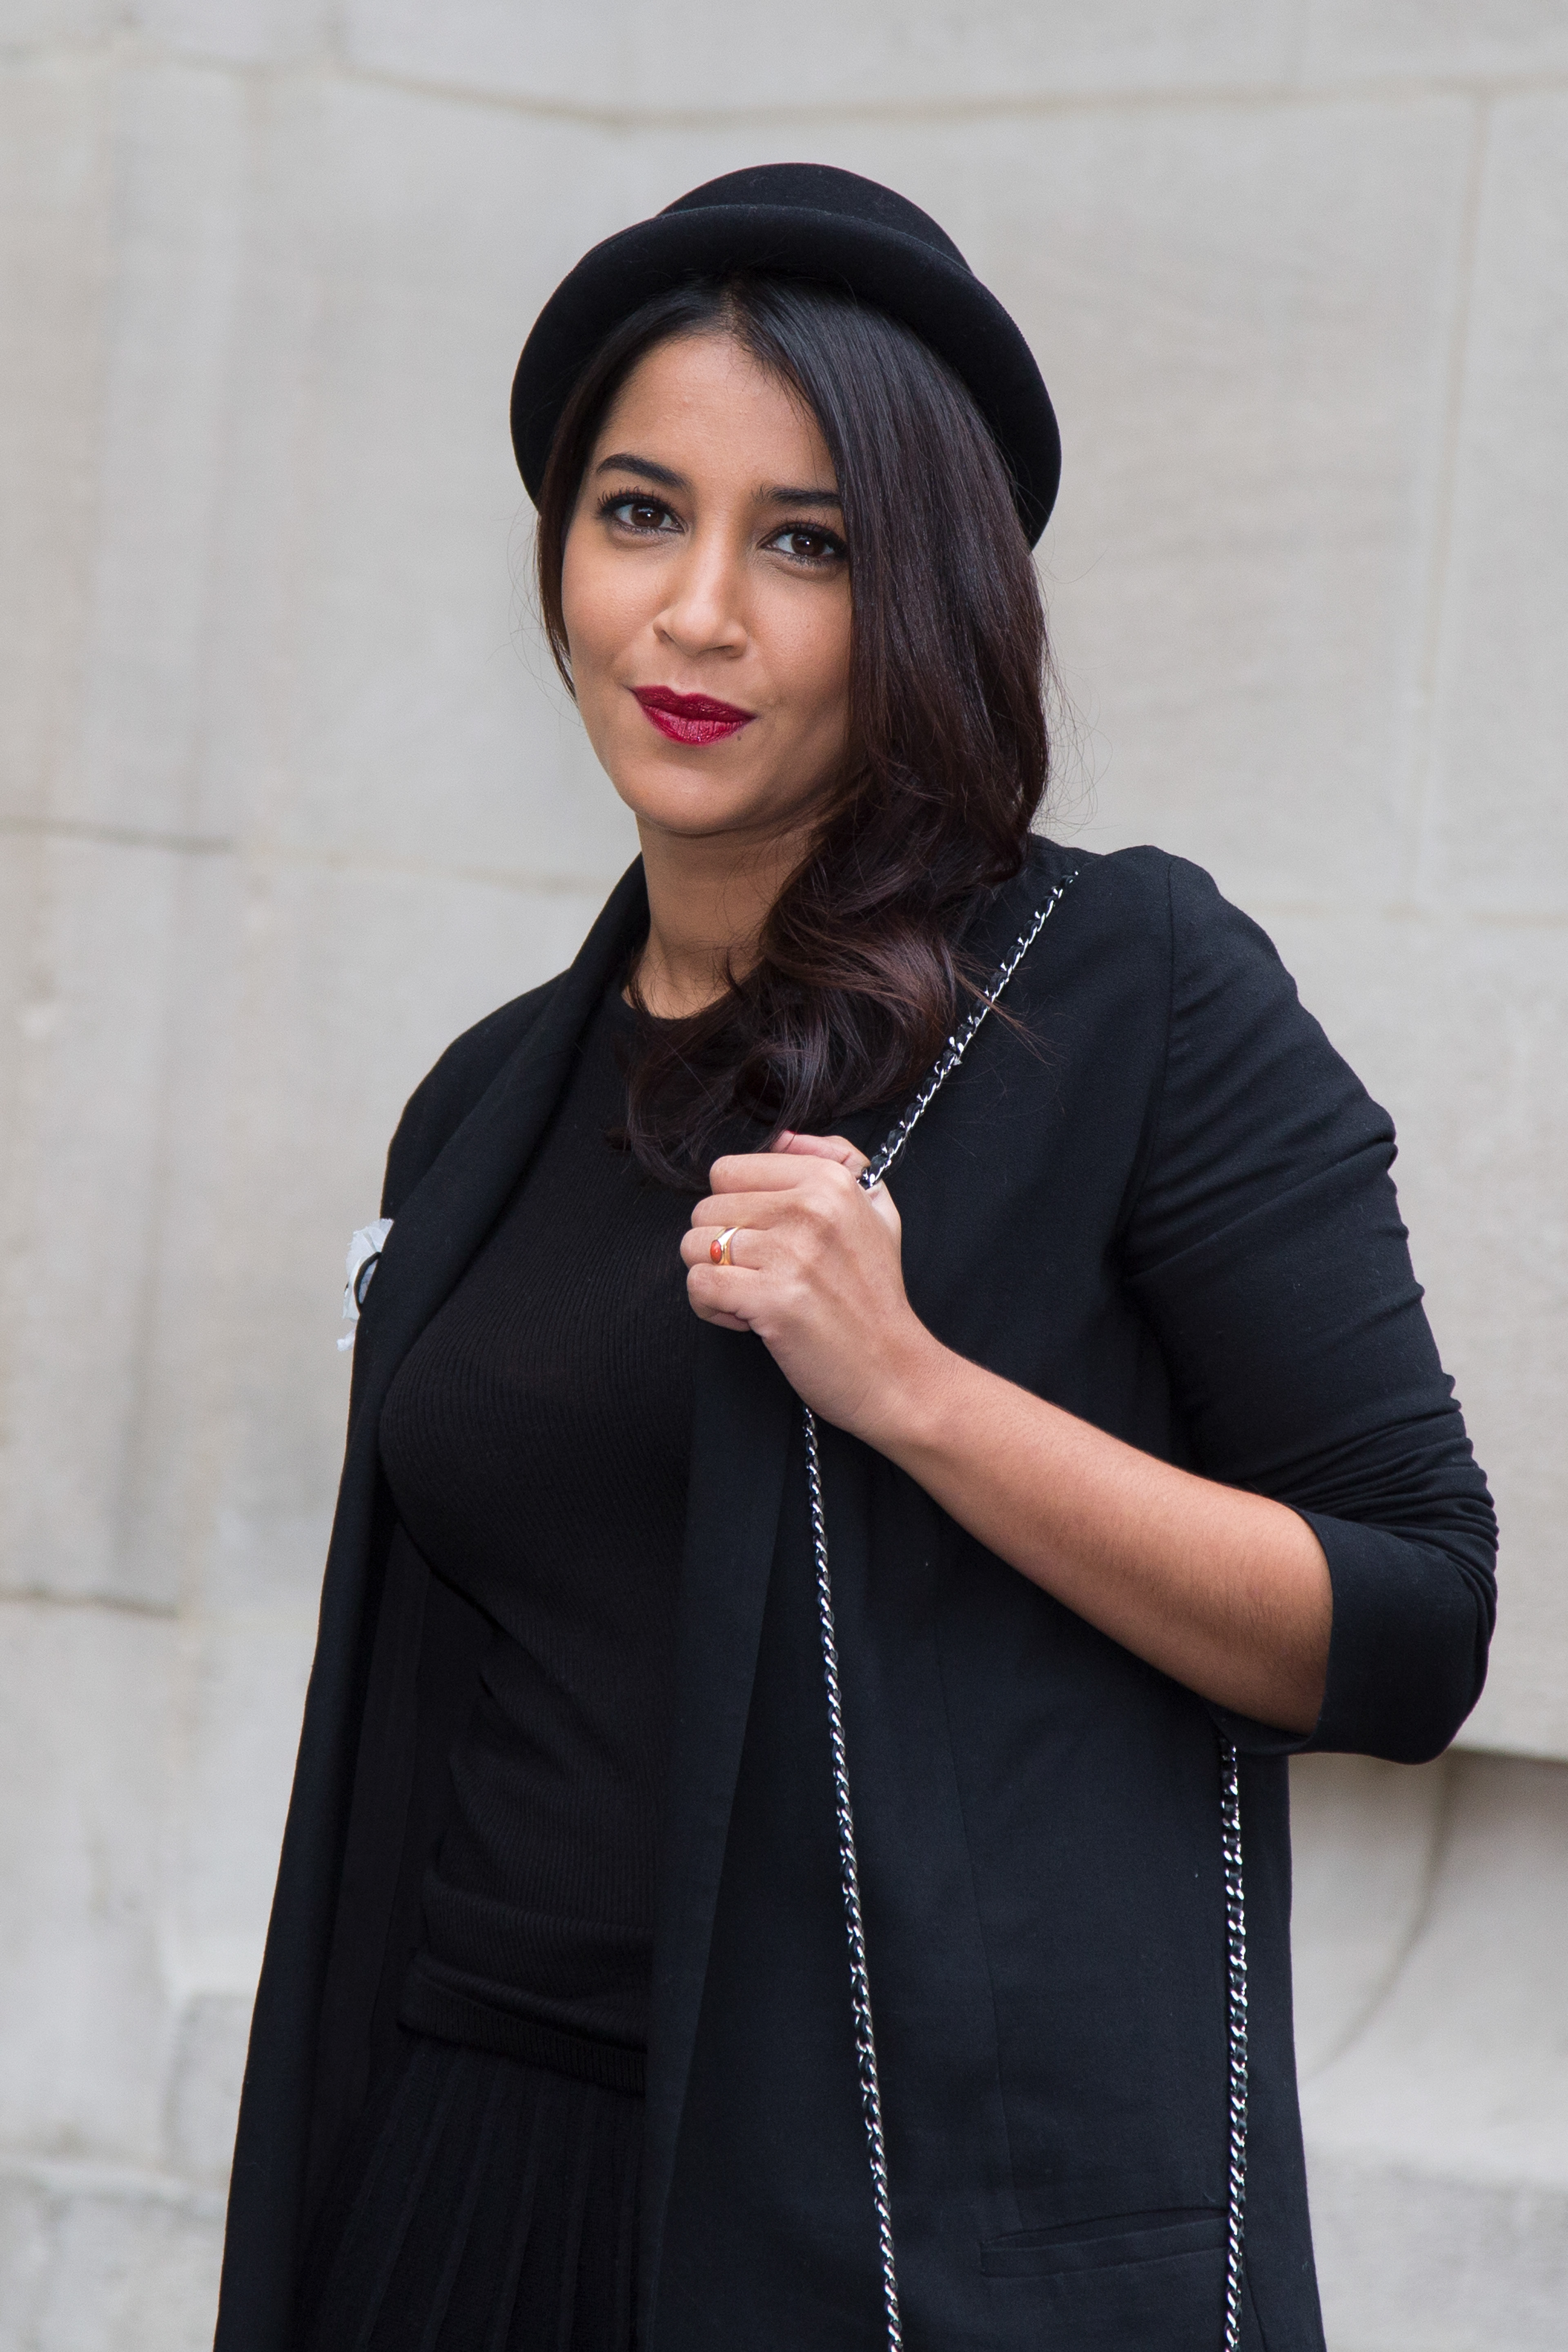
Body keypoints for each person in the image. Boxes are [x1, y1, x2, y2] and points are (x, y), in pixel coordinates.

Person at [214, 165, 1496, 2352]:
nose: (696, 614)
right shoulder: (489, 1098)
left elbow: (1408, 1620)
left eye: (804, 544)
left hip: (890, 2244)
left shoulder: (1126, 992)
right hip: (467, 2177)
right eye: (640, 515)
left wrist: (914, 1389)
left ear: (924, 600)